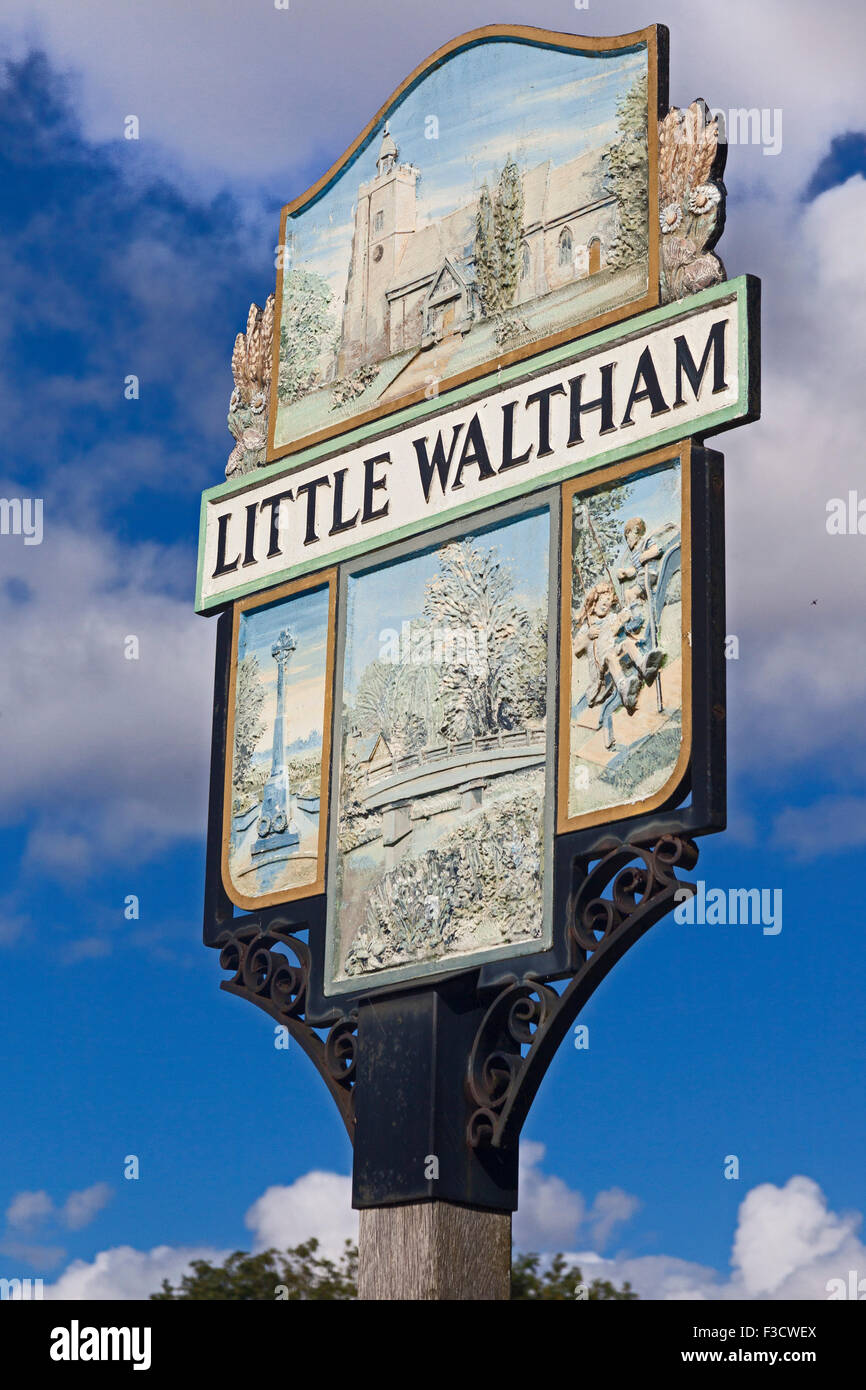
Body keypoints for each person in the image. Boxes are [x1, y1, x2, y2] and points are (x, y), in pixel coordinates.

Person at [572, 580, 663, 714]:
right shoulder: (588, 627)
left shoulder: (611, 618)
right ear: (594, 602)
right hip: (600, 668)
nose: (606, 604)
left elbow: (615, 629)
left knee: (627, 643)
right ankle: (623, 688)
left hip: (612, 651)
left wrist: (624, 617)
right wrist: (588, 637)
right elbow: (576, 649)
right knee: (610, 657)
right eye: (603, 601)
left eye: (608, 602)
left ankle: (644, 665)